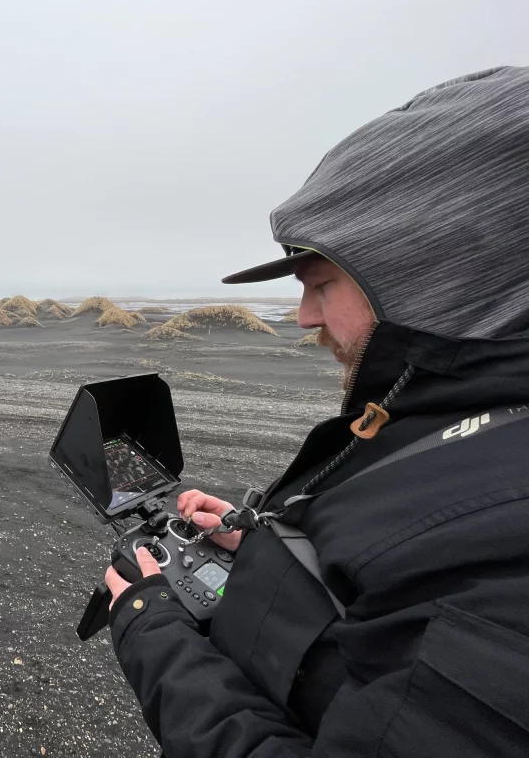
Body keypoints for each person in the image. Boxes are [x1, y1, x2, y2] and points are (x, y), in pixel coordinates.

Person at [104, 66, 529, 756]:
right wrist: (276, 555)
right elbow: (388, 609)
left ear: (436, 274)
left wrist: (149, 624)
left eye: (322, 283)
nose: (303, 318)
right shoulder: (455, 417)